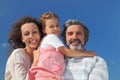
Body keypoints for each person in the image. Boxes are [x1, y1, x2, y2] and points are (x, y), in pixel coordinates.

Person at [28, 11, 96, 80]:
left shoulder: (45, 42)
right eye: (51, 26)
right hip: (48, 76)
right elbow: (67, 52)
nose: (55, 28)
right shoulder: (51, 37)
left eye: (57, 25)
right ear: (44, 29)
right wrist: (87, 53)